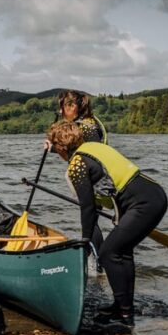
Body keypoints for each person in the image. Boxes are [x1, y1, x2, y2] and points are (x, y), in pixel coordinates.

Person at [45, 121, 167, 324]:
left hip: (143, 204)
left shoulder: (76, 164)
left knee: (108, 253)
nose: (57, 155)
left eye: (56, 149)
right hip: (154, 193)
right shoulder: (94, 146)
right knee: (122, 252)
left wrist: (85, 241)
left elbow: (88, 208)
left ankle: (125, 313)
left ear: (62, 147)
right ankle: (123, 307)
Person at [56, 89, 108, 268]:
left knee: (90, 218)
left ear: (73, 106)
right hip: (96, 177)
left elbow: (89, 152)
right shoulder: (89, 122)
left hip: (95, 179)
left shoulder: (85, 126)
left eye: (63, 107)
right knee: (92, 220)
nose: (61, 112)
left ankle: (95, 261)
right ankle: (97, 262)